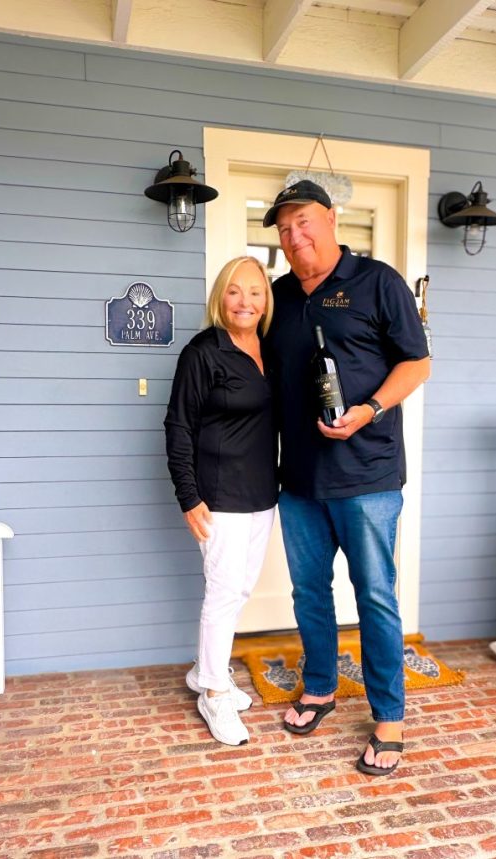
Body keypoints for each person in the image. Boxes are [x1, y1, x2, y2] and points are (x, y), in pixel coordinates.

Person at [262, 180, 431, 776]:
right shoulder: (278, 296)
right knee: (308, 592)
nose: (294, 236)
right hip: (299, 477)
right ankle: (320, 687)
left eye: (303, 221)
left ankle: (389, 716)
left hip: (368, 475)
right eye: (284, 228)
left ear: (332, 218)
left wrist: (371, 409)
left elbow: (417, 363)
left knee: (375, 595)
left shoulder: (378, 281)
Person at [164, 256, 278, 747]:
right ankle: (213, 692)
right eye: (234, 290)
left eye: (255, 291)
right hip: (218, 495)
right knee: (223, 591)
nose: (244, 301)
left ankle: (205, 671)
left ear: (266, 301)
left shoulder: (271, 349)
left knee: (240, 589)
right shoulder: (203, 352)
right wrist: (188, 496)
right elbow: (178, 426)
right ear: (220, 297)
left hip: (262, 493)